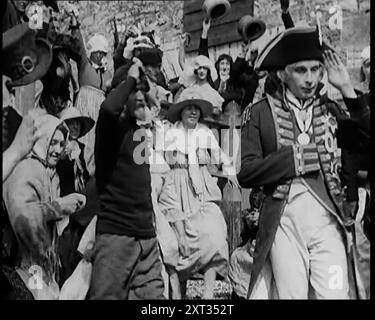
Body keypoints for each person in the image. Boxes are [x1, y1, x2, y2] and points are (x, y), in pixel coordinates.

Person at [238, 26, 366, 299]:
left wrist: (346, 89)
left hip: (327, 219)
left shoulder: (332, 110)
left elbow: (364, 143)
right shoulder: (259, 113)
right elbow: (246, 172)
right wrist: (291, 160)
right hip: (284, 221)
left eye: (315, 69)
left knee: (334, 294)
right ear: (284, 73)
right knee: (291, 295)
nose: (309, 79)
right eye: (300, 70)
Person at [88, 51, 165, 300]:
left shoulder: (139, 130)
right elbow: (109, 108)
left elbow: (158, 103)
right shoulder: (110, 128)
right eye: (135, 90)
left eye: (142, 90)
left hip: (146, 236)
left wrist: (143, 85)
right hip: (116, 237)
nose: (141, 95)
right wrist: (130, 79)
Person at [160, 87, 238, 299]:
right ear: (181, 112)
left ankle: (208, 294)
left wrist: (228, 172)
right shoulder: (170, 133)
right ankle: (180, 294)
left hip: (203, 188)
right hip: (177, 187)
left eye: (196, 109)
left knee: (215, 235)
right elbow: (160, 161)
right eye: (189, 108)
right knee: (183, 243)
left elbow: (220, 155)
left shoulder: (204, 132)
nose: (193, 112)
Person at [3, 114, 86, 299]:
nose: (57, 149)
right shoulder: (26, 168)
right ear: (42, 140)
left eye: (61, 144)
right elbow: (22, 213)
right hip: (22, 267)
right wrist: (60, 206)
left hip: (41, 265)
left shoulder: (49, 173)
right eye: (52, 142)